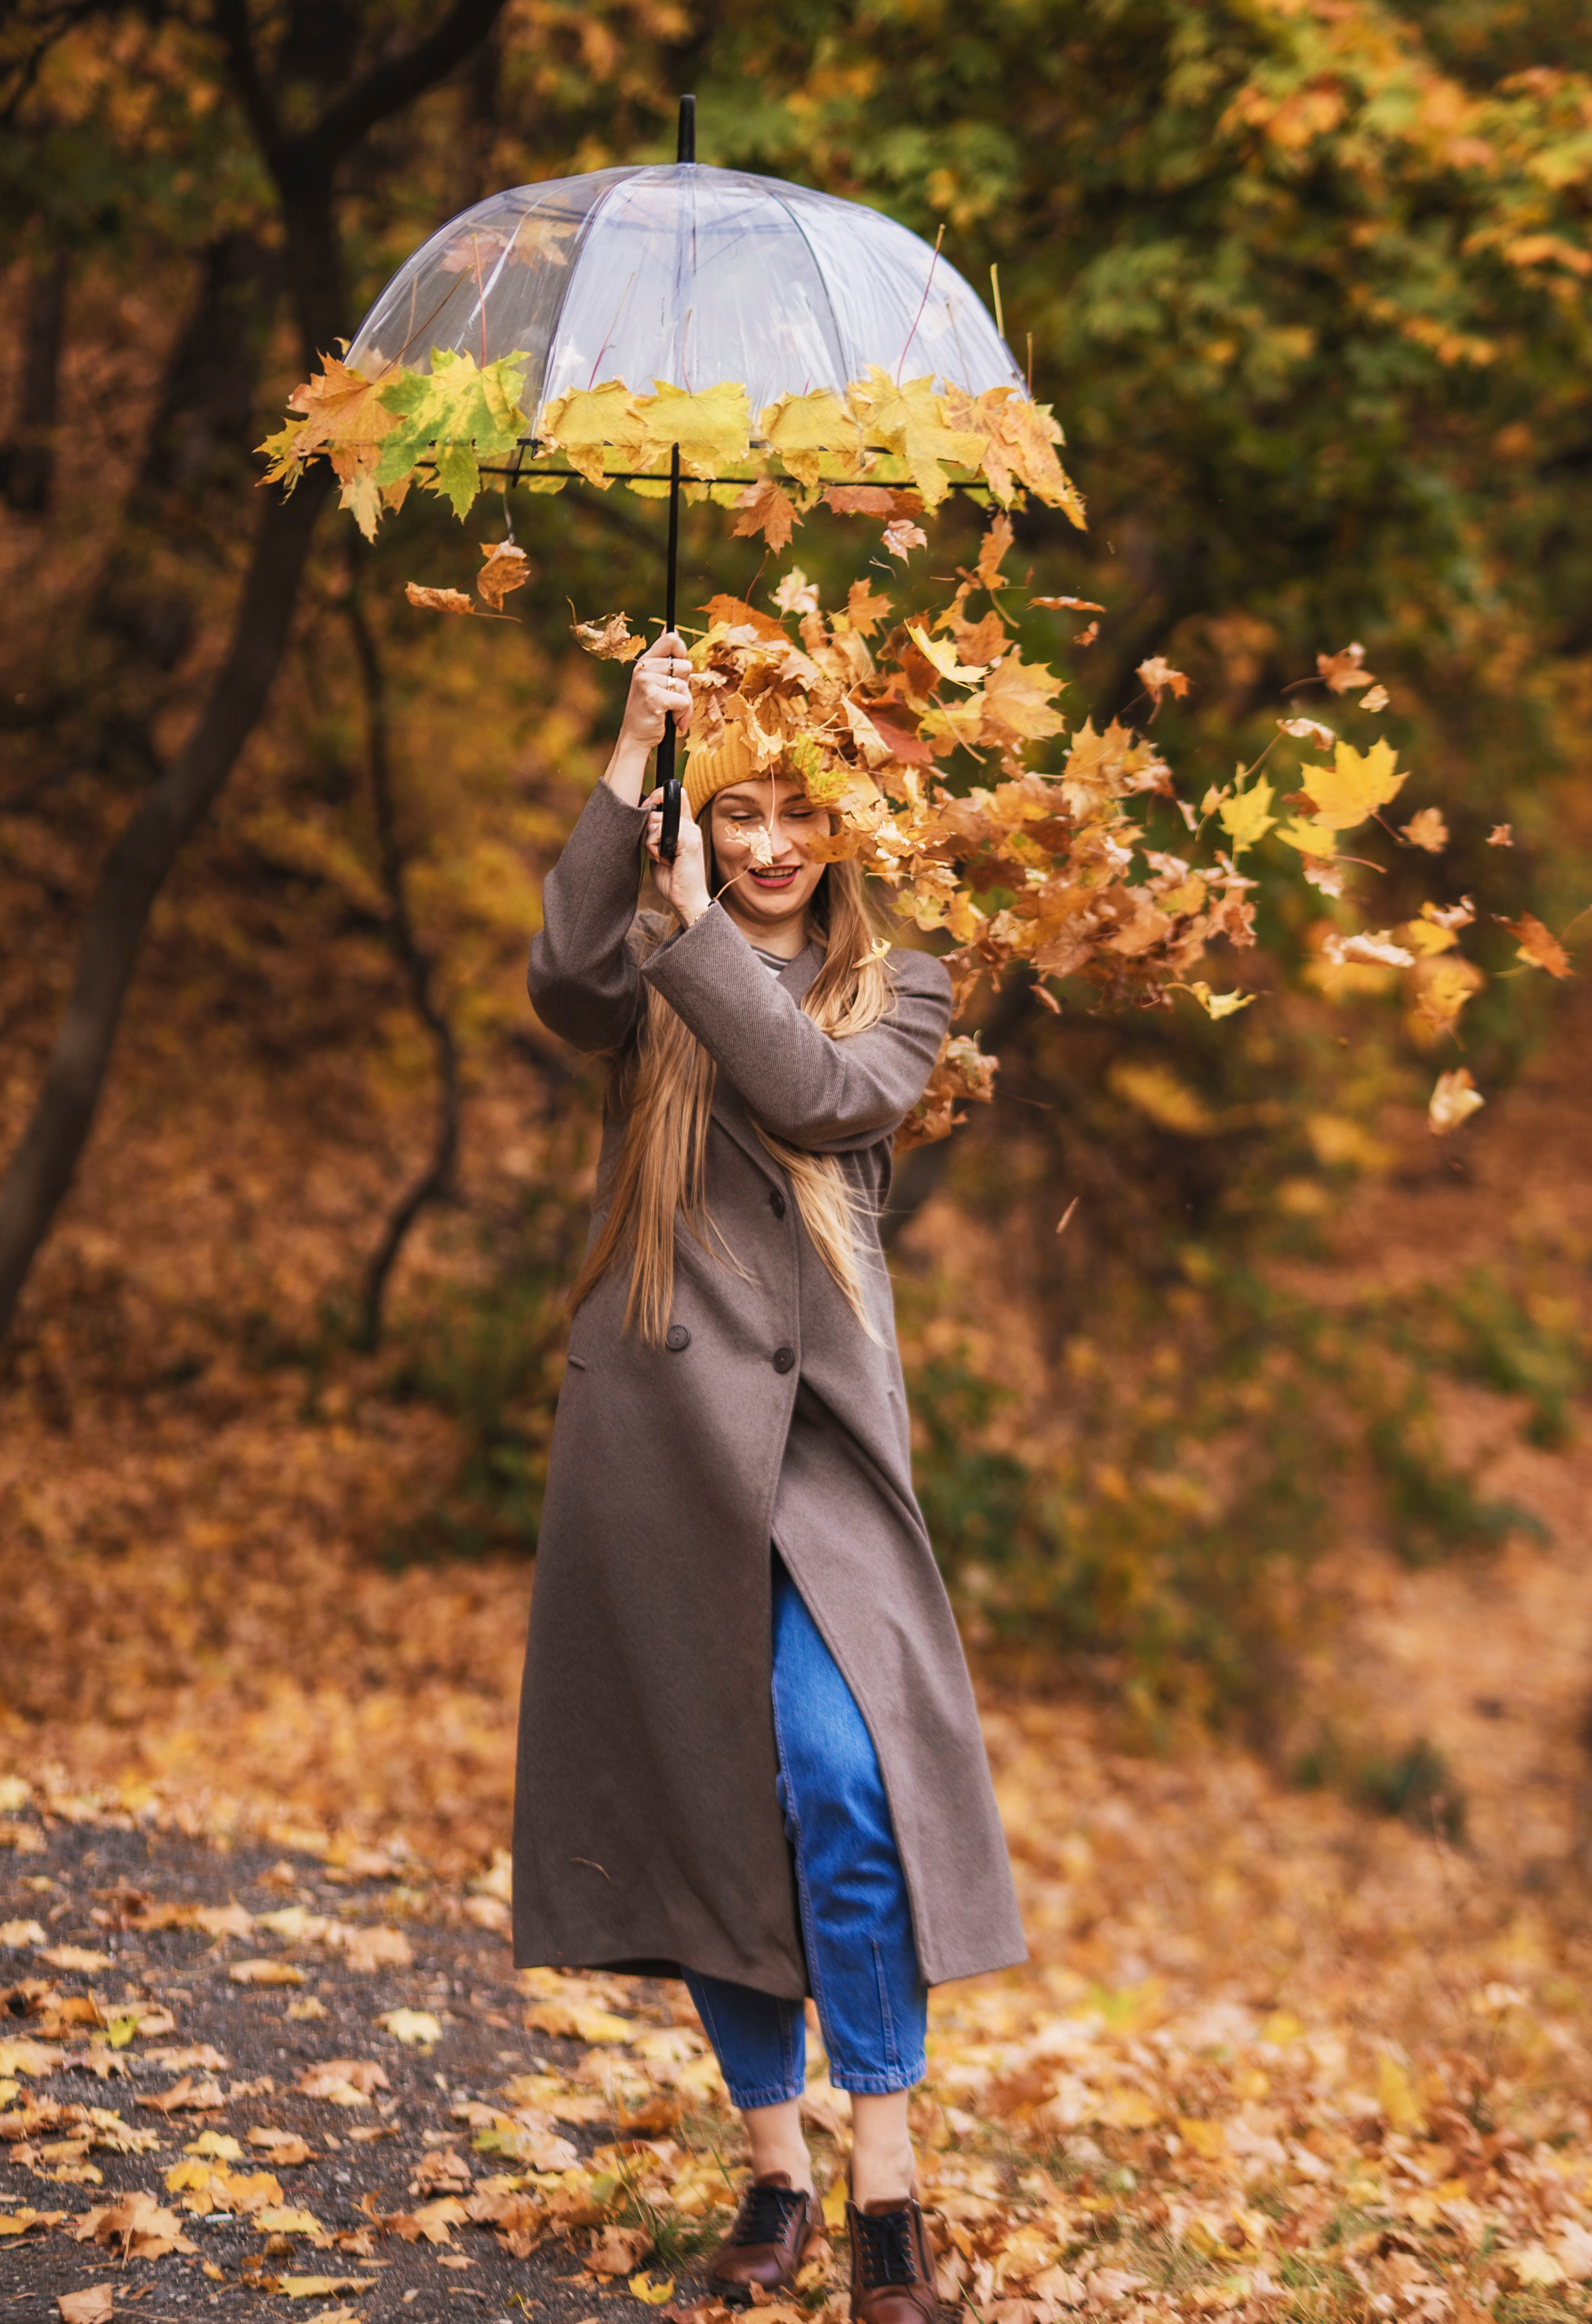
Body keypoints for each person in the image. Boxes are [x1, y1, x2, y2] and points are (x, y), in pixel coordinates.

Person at [512, 628, 1025, 2324]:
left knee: (843, 1783)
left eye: (802, 811)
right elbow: (568, 980)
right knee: (710, 1795)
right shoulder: (652, 958)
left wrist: (695, 933)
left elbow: (814, 1097)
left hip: (822, 1453)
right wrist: (628, 754)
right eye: (737, 811)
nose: (771, 843)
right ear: (704, 817)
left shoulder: (910, 989)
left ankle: (889, 2192)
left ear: (849, 826)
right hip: (660, 1437)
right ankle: (777, 2172)